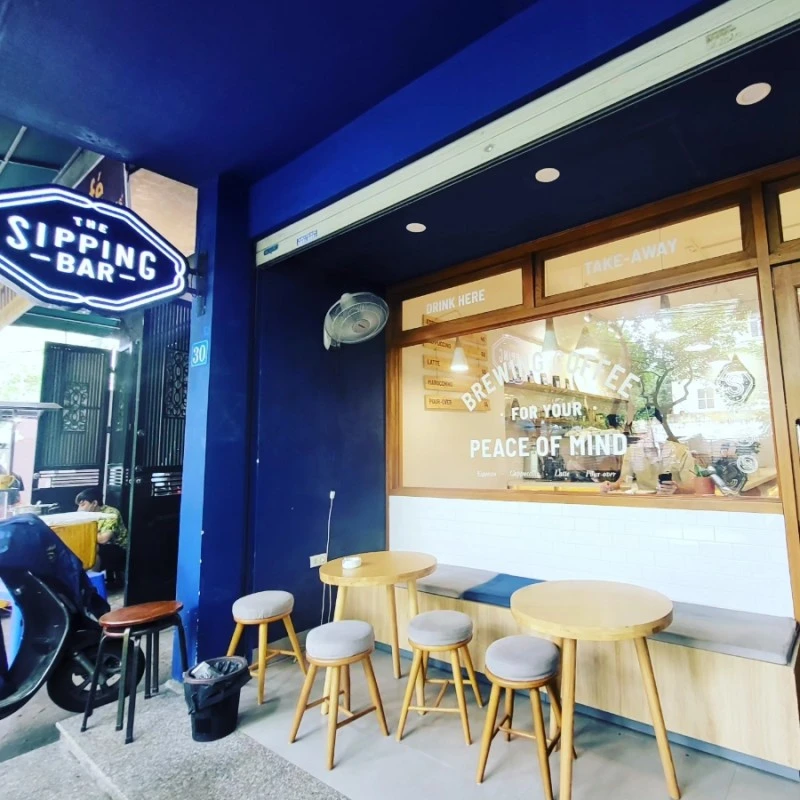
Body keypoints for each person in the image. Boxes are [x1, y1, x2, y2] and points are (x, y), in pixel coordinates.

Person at [601, 409, 695, 495]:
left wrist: (677, 490)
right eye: (638, 432)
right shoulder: (632, 451)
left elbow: (692, 488)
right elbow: (624, 480)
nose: (644, 436)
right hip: (645, 502)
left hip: (674, 502)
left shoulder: (681, 452)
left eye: (648, 430)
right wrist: (611, 486)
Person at [75, 488, 128, 587]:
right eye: (79, 505)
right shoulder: (89, 514)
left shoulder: (111, 513)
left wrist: (87, 531)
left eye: (83, 505)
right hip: (104, 547)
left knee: (91, 550)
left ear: (94, 503)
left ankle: (93, 585)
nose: (79, 509)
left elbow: (103, 539)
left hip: (120, 548)